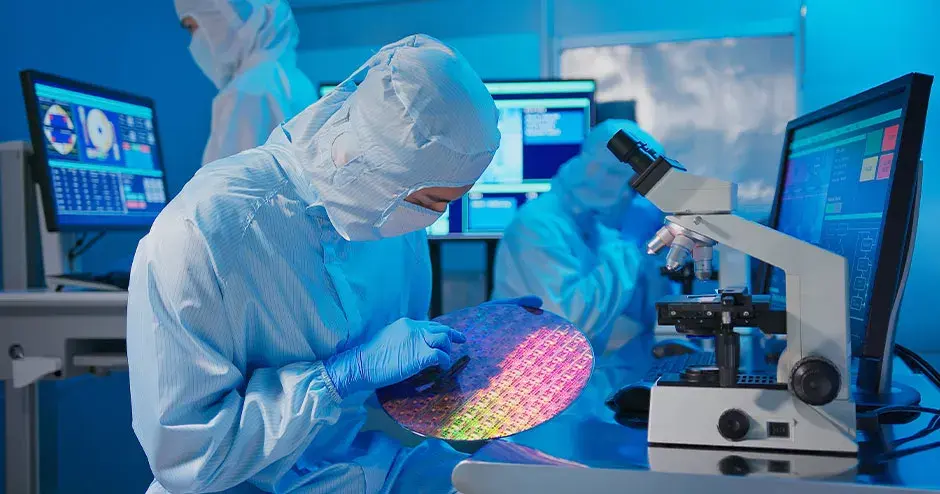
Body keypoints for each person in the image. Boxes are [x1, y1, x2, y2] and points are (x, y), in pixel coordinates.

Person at [127, 35, 537, 493]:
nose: (432, 218)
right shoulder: (205, 231)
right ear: (375, 167)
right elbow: (189, 459)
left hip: (362, 469)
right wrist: (338, 377)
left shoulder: (395, 214)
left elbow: (391, 380)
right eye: (431, 202)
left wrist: (470, 345)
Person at [492, 120, 674, 423]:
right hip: (536, 392)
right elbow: (571, 321)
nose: (633, 197)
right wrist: (630, 243)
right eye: (633, 186)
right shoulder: (538, 225)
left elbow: (641, 312)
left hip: (576, 386)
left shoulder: (595, 225)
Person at [175, 0, 317, 165]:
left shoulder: (248, 92)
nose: (193, 40)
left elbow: (230, 180)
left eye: (192, 27)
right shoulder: (293, 80)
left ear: (225, 20)